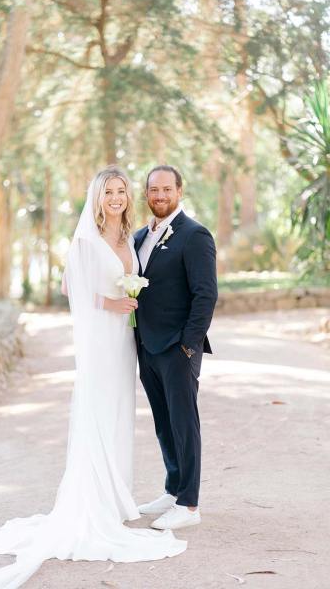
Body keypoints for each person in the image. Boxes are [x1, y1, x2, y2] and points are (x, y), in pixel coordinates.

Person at [0, 166, 186, 589]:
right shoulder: (86, 238)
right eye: (108, 192)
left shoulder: (128, 236)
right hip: (101, 337)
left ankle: (114, 497)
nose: (116, 198)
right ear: (97, 197)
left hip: (123, 341)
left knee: (119, 412)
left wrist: (128, 302)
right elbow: (70, 287)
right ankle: (92, 503)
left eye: (121, 191)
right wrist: (110, 303)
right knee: (98, 410)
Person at [134, 165, 218, 531]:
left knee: (184, 424)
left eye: (167, 189)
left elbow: (206, 294)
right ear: (147, 194)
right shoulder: (138, 236)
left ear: (179, 191)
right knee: (164, 423)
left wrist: (189, 345)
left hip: (177, 348)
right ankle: (172, 488)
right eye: (154, 190)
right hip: (146, 346)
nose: (160, 196)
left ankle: (189, 504)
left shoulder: (195, 235)